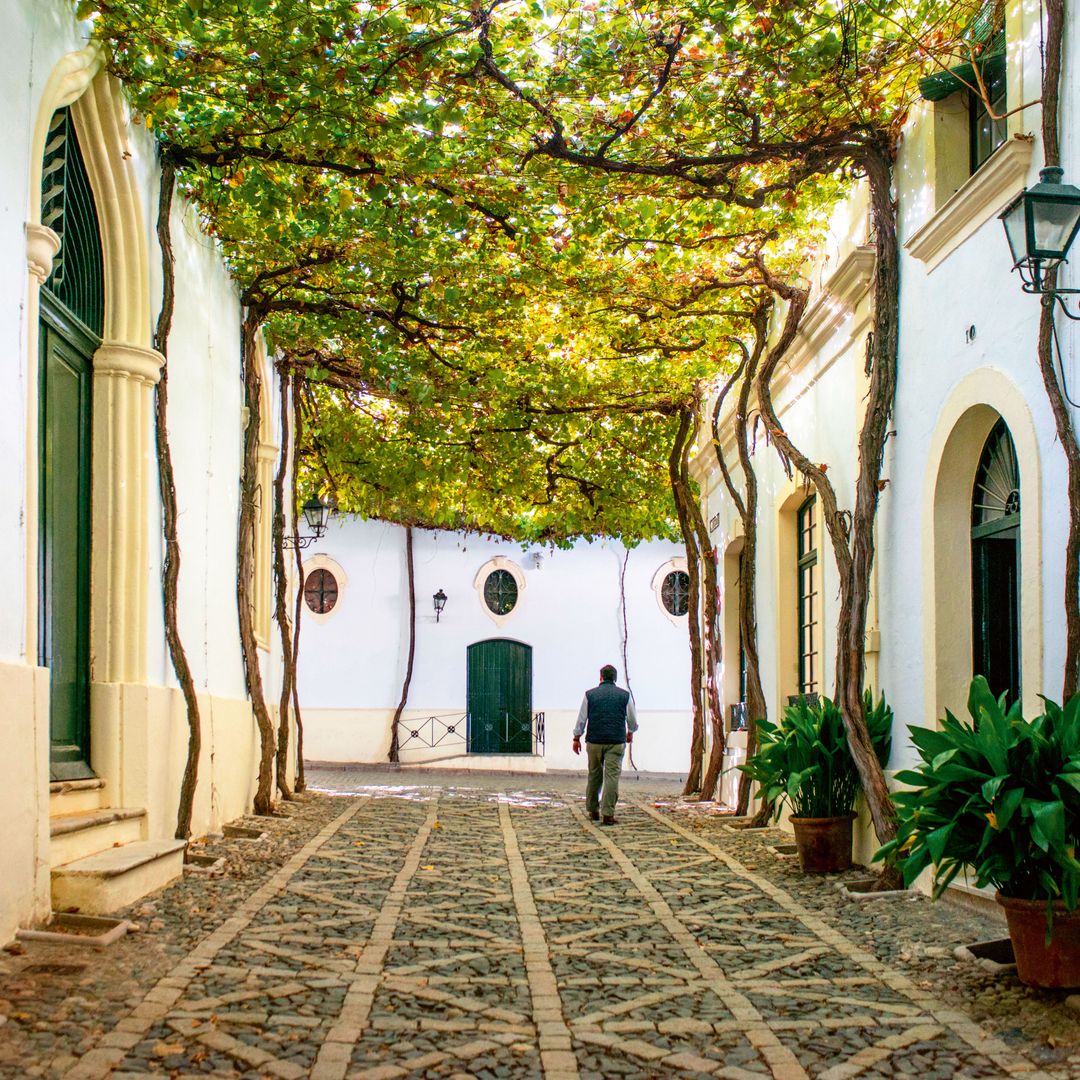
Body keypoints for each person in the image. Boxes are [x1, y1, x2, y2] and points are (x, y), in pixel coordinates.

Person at [572, 664, 638, 825]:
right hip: (615, 741)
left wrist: (576, 737)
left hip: (594, 741)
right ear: (615, 678)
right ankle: (608, 813)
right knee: (612, 777)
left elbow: (582, 718)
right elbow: (632, 720)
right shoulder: (625, 695)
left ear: (600, 677)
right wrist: (630, 732)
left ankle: (593, 810)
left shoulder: (590, 695)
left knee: (594, 775)